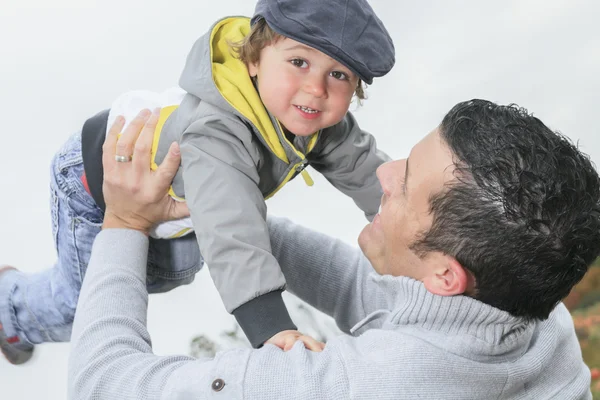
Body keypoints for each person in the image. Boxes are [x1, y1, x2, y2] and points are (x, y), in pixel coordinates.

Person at [68, 99, 599, 399]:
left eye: (406, 182)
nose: (384, 174)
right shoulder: (534, 309)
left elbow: (101, 384)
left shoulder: (356, 386)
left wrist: (124, 222)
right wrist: (226, 213)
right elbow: (361, 290)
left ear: (445, 275)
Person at [0, 0, 395, 363]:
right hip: (96, 180)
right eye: (299, 62)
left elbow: (367, 170)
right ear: (255, 58)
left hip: (180, 193)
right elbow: (232, 232)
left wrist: (421, 222)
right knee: (88, 307)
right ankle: (8, 310)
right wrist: (272, 327)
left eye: (339, 74)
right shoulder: (216, 133)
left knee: (175, 272)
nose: (317, 88)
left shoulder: (313, 118)